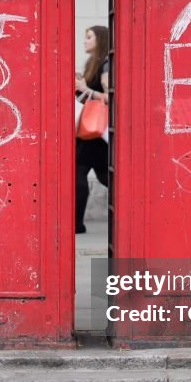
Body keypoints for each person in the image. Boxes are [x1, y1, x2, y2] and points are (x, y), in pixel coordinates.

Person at [75, 25, 110, 234]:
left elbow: (110, 97)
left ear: (100, 41)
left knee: (81, 172)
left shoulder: (105, 66)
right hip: (89, 131)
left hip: (96, 132)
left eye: (89, 37)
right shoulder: (92, 63)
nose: (85, 41)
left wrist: (86, 89)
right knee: (104, 176)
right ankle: (77, 223)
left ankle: (77, 224)